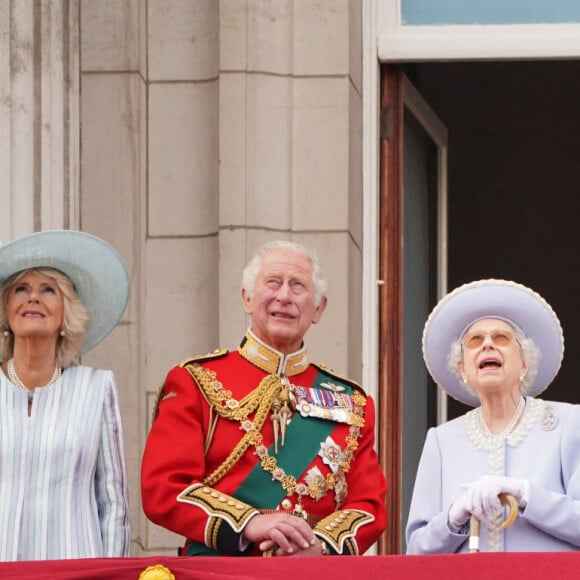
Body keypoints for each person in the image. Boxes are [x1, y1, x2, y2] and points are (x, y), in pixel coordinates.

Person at [141, 240, 387, 557]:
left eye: (298, 286)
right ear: (247, 298)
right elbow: (164, 487)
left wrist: (321, 546)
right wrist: (249, 523)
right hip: (220, 569)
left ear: (318, 308)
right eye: (273, 283)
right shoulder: (195, 381)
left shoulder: (353, 402)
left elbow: (368, 505)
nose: (284, 296)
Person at [406, 278, 580, 553]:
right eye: (475, 340)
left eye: (501, 338)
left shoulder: (568, 424)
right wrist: (454, 517)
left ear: (525, 362)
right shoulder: (441, 441)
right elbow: (417, 550)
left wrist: (526, 494)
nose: (487, 345)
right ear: (462, 368)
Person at [0, 229, 131, 561]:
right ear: (6, 311)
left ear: (65, 314)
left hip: (75, 566)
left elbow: (114, 504)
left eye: (48, 290)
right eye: (21, 289)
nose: (33, 298)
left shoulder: (96, 388)